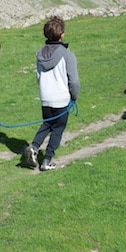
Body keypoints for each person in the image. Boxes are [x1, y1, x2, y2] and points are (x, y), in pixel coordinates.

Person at [22, 16, 80, 171]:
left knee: (47, 124)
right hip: (61, 99)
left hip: (45, 98)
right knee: (58, 129)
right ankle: (47, 160)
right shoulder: (67, 55)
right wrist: (74, 96)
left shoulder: (39, 55)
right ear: (62, 35)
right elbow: (73, 81)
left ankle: (34, 147)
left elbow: (38, 76)